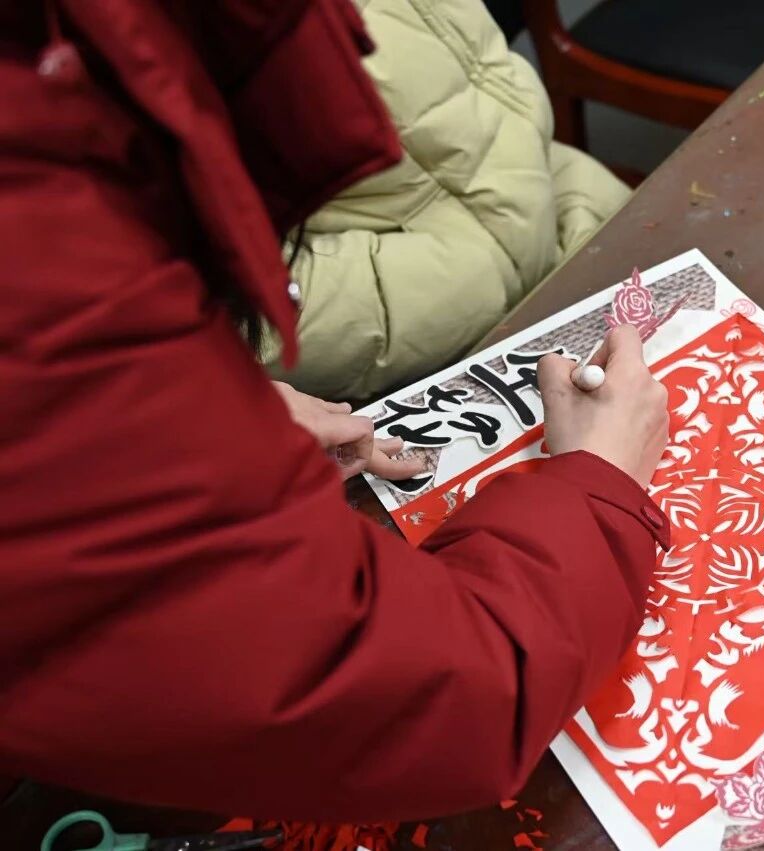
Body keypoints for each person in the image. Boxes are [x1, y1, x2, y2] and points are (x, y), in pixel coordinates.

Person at [0, 0, 668, 824]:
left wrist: (223, 409)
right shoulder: (41, 272)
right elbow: (445, 703)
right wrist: (597, 486)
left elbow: (491, 107)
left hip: (557, 243)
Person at [263, 0, 631, 401]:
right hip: (430, 350)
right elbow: (245, 312)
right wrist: (493, 269)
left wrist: (565, 203)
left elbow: (484, 116)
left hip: (547, 218)